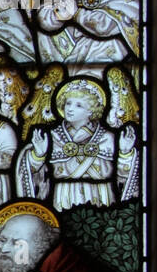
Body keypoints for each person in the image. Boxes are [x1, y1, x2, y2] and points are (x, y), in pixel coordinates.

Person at [15, 76, 137, 209]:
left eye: (78, 105)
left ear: (91, 110)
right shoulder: (52, 137)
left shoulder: (107, 137)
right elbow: (34, 175)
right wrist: (38, 155)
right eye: (68, 103)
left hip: (101, 196)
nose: (70, 109)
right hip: (63, 197)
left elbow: (123, 176)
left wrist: (126, 153)